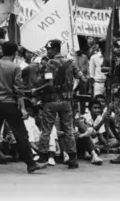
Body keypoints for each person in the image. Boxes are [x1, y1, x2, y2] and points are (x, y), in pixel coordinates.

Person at [0, 41, 47, 174]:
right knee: (21, 134)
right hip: (10, 103)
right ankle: (31, 164)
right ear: (15, 53)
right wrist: (23, 108)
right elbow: (19, 90)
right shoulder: (15, 67)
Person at [31, 39, 86, 169]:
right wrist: (73, 91)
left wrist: (36, 90)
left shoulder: (50, 64)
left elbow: (49, 84)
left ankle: (43, 156)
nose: (47, 52)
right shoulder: (70, 63)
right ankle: (72, 158)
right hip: (66, 101)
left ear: (55, 49)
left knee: (47, 130)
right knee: (69, 130)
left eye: (49, 49)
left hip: (52, 101)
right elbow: (83, 80)